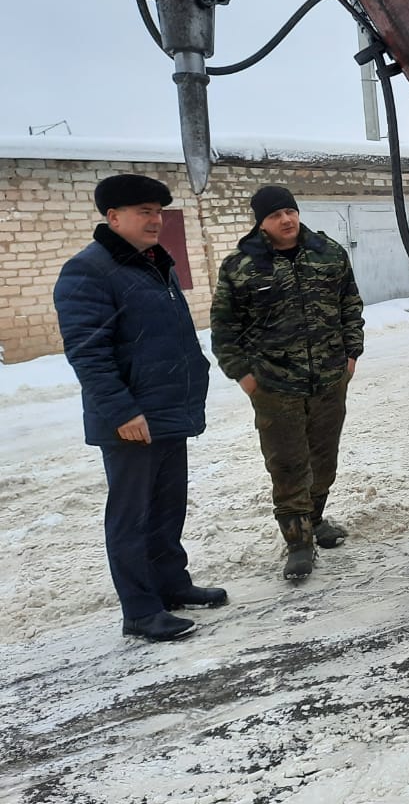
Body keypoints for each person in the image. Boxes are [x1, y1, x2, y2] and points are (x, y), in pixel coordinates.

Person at [53, 174, 226, 643]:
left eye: (157, 211)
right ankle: (140, 609)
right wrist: (122, 413)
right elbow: (88, 352)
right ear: (113, 217)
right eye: (143, 212)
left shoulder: (152, 263)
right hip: (132, 419)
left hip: (167, 410)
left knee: (167, 507)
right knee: (133, 516)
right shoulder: (88, 271)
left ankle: (172, 584)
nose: (155, 220)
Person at [210, 185, 364, 581]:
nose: (286, 220)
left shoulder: (328, 254)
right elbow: (224, 328)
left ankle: (314, 520)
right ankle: (298, 544)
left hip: (330, 378)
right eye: (276, 215)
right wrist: (244, 376)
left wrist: (351, 354)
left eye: (290, 212)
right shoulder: (241, 266)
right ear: (261, 221)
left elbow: (350, 303)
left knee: (323, 459)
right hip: (275, 386)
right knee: (288, 464)